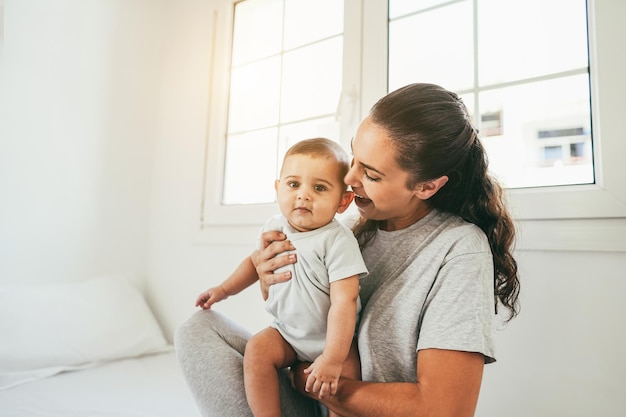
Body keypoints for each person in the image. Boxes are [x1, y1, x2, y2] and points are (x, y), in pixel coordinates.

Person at [175, 83, 521, 417]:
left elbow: (443, 410)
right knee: (198, 330)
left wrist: (305, 379)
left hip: (337, 395)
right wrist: (270, 279)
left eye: (369, 173)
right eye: (354, 157)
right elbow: (300, 318)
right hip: (314, 391)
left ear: (426, 186)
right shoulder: (353, 232)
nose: (349, 179)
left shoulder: (457, 250)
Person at [192, 138, 368, 417]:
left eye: (319, 188)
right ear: (277, 188)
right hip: (287, 333)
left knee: (342, 391)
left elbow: (344, 301)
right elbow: (254, 262)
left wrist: (332, 359)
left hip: (333, 342)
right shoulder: (275, 226)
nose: (303, 195)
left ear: (343, 201)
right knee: (258, 350)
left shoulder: (337, 241)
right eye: (293, 184)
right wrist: (223, 289)